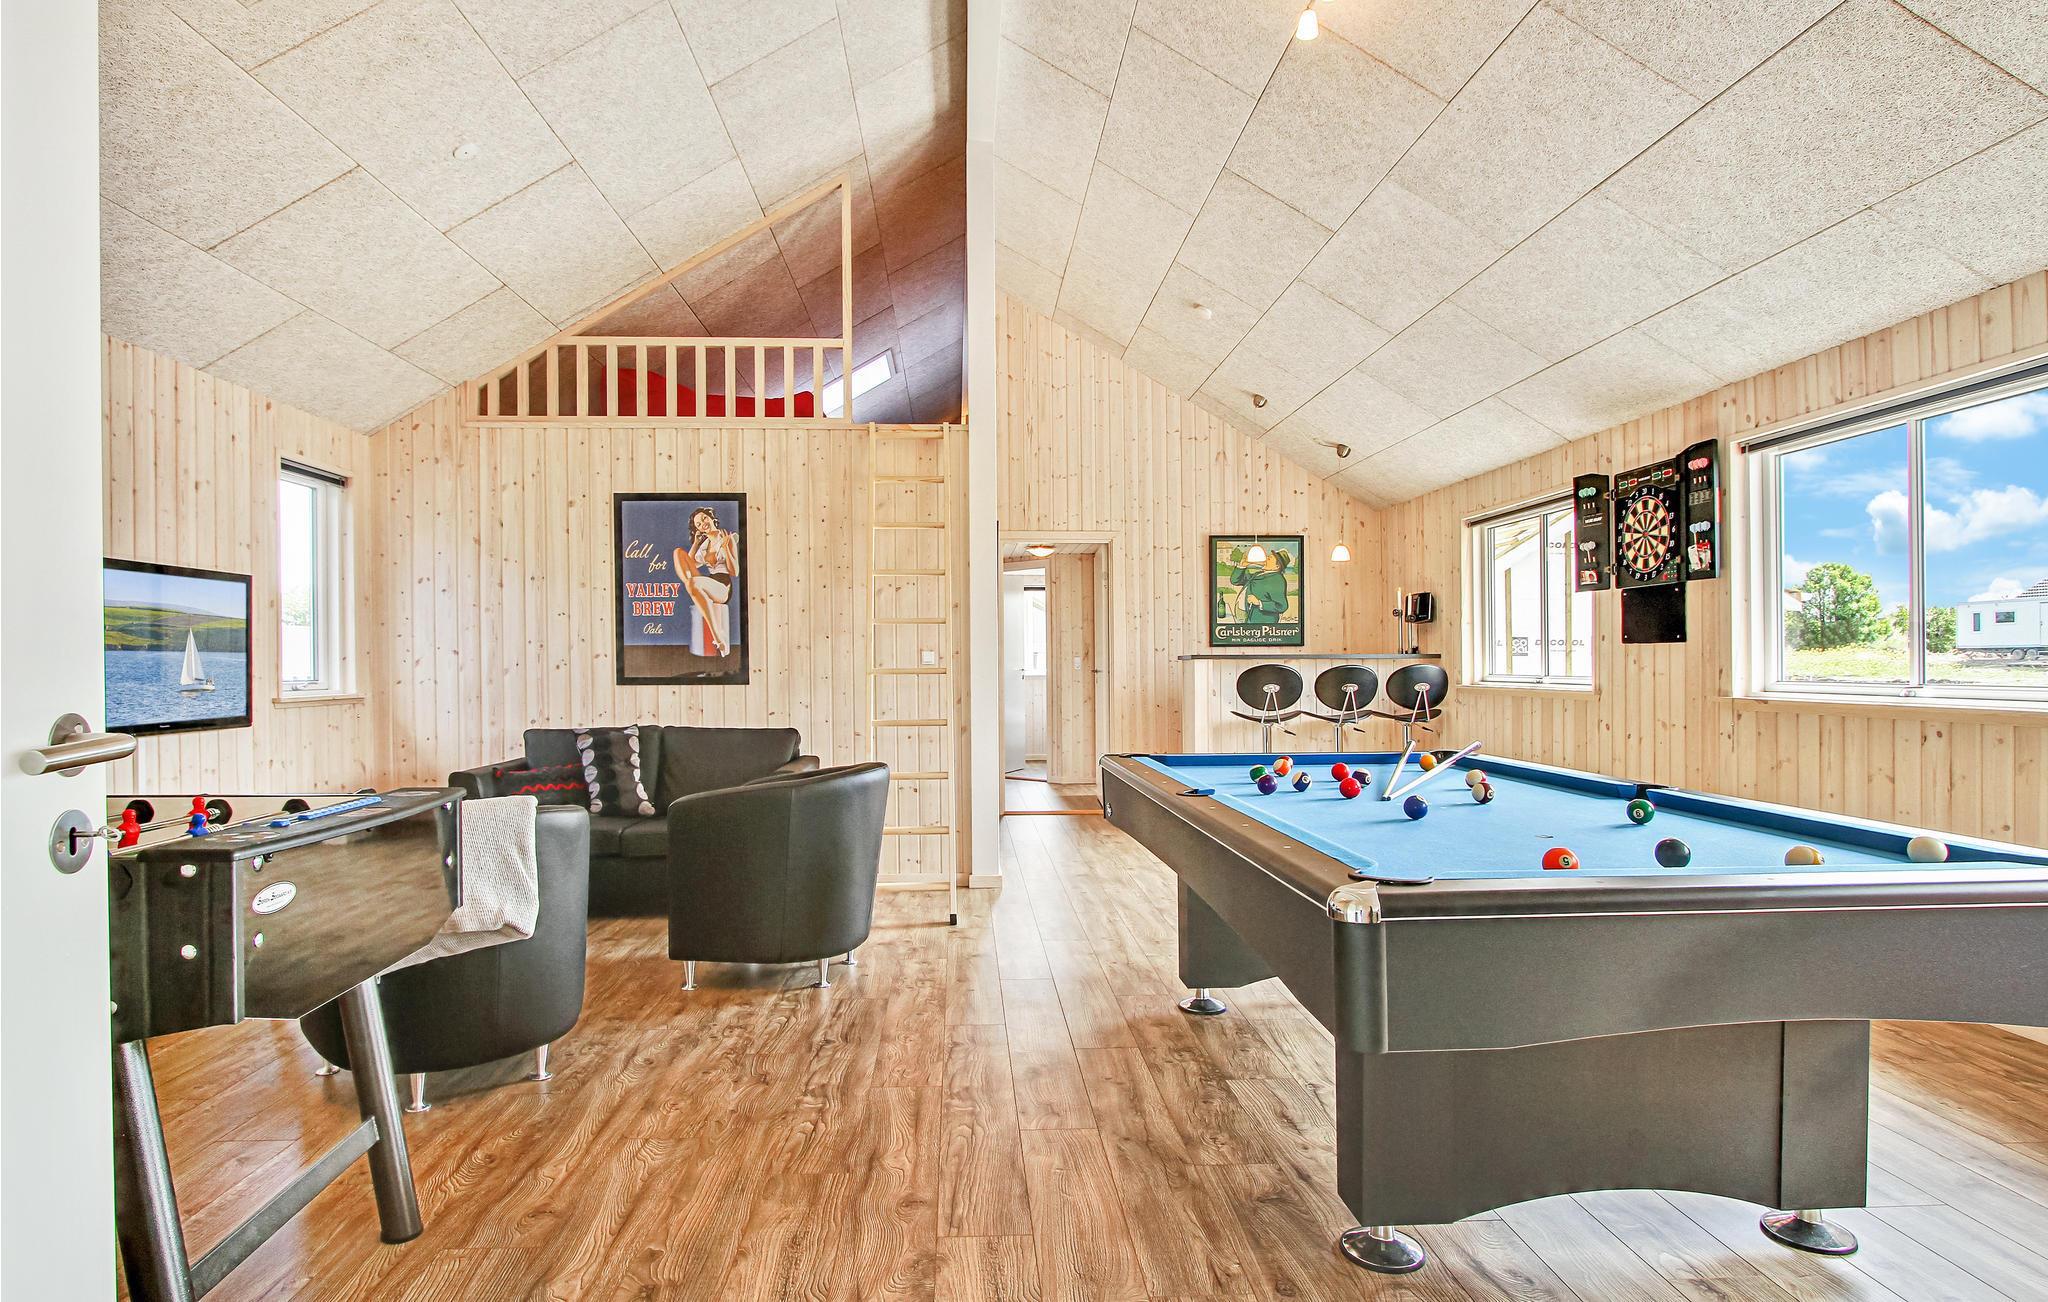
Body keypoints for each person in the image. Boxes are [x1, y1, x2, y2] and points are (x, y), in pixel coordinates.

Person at [673, 507, 739, 658]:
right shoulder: (704, 545)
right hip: (710, 583)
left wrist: (726, 548)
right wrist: (696, 543)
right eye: (698, 524)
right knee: (678, 553)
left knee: (691, 584)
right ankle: (695, 592)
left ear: (711, 518)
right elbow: (690, 564)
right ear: (698, 529)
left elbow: (734, 572)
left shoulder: (727, 538)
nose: (703, 523)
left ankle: (718, 637)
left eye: (704, 518)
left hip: (723, 587)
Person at [1231, 548, 1292, 627]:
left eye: (1269, 559)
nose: (1265, 559)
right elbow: (1235, 581)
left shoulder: (1277, 579)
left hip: (1262, 621)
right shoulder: (1258, 574)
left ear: (1277, 566)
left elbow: (1282, 606)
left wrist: (1259, 602)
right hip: (1247, 615)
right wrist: (1242, 566)